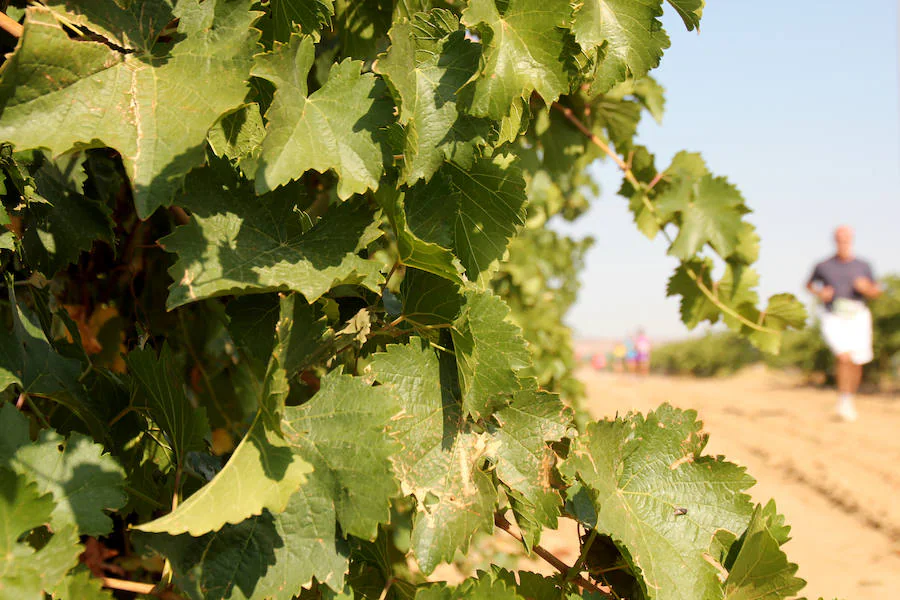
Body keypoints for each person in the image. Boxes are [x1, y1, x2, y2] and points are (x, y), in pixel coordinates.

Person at [806, 226, 881, 421]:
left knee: (856, 360)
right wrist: (820, 293)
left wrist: (866, 289)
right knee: (843, 356)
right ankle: (844, 397)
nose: (843, 241)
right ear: (835, 240)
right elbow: (809, 285)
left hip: (858, 315)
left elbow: (876, 291)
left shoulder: (863, 265)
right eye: (840, 238)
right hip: (833, 315)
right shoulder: (823, 266)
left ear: (851, 239)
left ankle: (848, 398)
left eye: (846, 238)